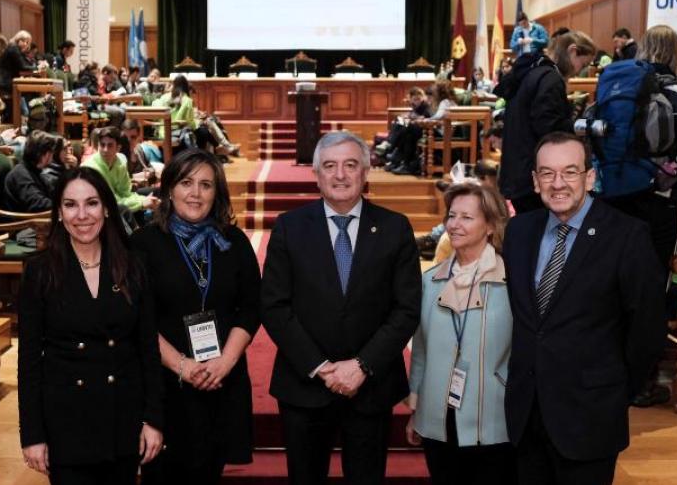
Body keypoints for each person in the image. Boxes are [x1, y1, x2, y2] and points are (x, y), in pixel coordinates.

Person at [502, 132, 665, 484]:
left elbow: (647, 329)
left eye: (570, 172)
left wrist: (614, 391)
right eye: (547, 173)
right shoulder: (518, 231)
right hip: (526, 413)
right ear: (534, 181)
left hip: (590, 415)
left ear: (590, 177)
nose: (557, 183)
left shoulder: (627, 236)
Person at [261, 131, 421, 485]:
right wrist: (320, 367)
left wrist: (362, 366)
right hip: (304, 386)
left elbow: (406, 308)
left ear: (365, 172)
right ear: (317, 174)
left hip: (371, 386)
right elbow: (274, 306)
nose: (340, 175)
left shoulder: (395, 228)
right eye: (330, 166)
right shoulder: (289, 227)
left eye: (351, 165)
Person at [18, 167, 165, 484]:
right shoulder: (39, 271)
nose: (82, 215)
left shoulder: (133, 264)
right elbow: (29, 361)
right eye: (70, 205)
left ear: (107, 208)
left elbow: (148, 350)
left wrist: (153, 419)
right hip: (67, 421)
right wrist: (31, 435)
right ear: (58, 212)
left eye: (92, 203)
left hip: (123, 417)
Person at [131, 149, 261, 485]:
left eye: (206, 185)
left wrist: (224, 363)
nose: (195, 193)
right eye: (186, 183)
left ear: (217, 192)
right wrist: (183, 366)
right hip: (165, 383)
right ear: (169, 188)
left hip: (220, 380)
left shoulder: (232, 241)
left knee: (208, 471)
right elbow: (137, 318)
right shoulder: (143, 244)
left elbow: (250, 308)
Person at [612, 24, 677, 407]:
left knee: (614, 284)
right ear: (674, 52)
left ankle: (607, 373)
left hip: (613, 201)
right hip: (661, 204)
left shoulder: (618, 88)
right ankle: (643, 382)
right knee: (653, 289)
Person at [406, 183, 515, 485]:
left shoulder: (513, 282)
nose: (454, 224)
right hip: (438, 417)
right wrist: (416, 409)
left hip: (494, 418)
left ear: (491, 226)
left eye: (466, 217)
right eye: (451, 216)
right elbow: (422, 350)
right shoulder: (430, 281)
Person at [496, 30, 596, 213]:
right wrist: (578, 126)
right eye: (583, 63)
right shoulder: (550, 78)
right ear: (572, 51)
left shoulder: (533, 71)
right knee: (540, 234)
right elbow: (549, 129)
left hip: (518, 172)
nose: (580, 70)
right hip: (532, 175)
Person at [82, 126, 159, 220]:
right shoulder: (91, 168)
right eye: (102, 145)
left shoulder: (119, 163)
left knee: (156, 194)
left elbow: (126, 193)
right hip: (96, 208)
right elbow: (111, 201)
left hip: (115, 204)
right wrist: (141, 203)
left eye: (110, 145)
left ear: (118, 148)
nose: (105, 149)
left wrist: (145, 201)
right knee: (129, 210)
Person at [388, 82, 455, 176]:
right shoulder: (438, 102)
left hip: (440, 131)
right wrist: (413, 117)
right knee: (401, 122)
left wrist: (422, 119)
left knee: (409, 127)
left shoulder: (445, 102)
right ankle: (398, 156)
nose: (431, 95)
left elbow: (437, 117)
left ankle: (395, 153)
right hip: (432, 127)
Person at [4, 130, 58, 212]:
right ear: (44, 154)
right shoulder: (20, 174)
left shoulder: (34, 171)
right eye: (51, 152)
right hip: (24, 223)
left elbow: (51, 193)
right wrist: (64, 205)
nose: (52, 156)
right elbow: (37, 204)